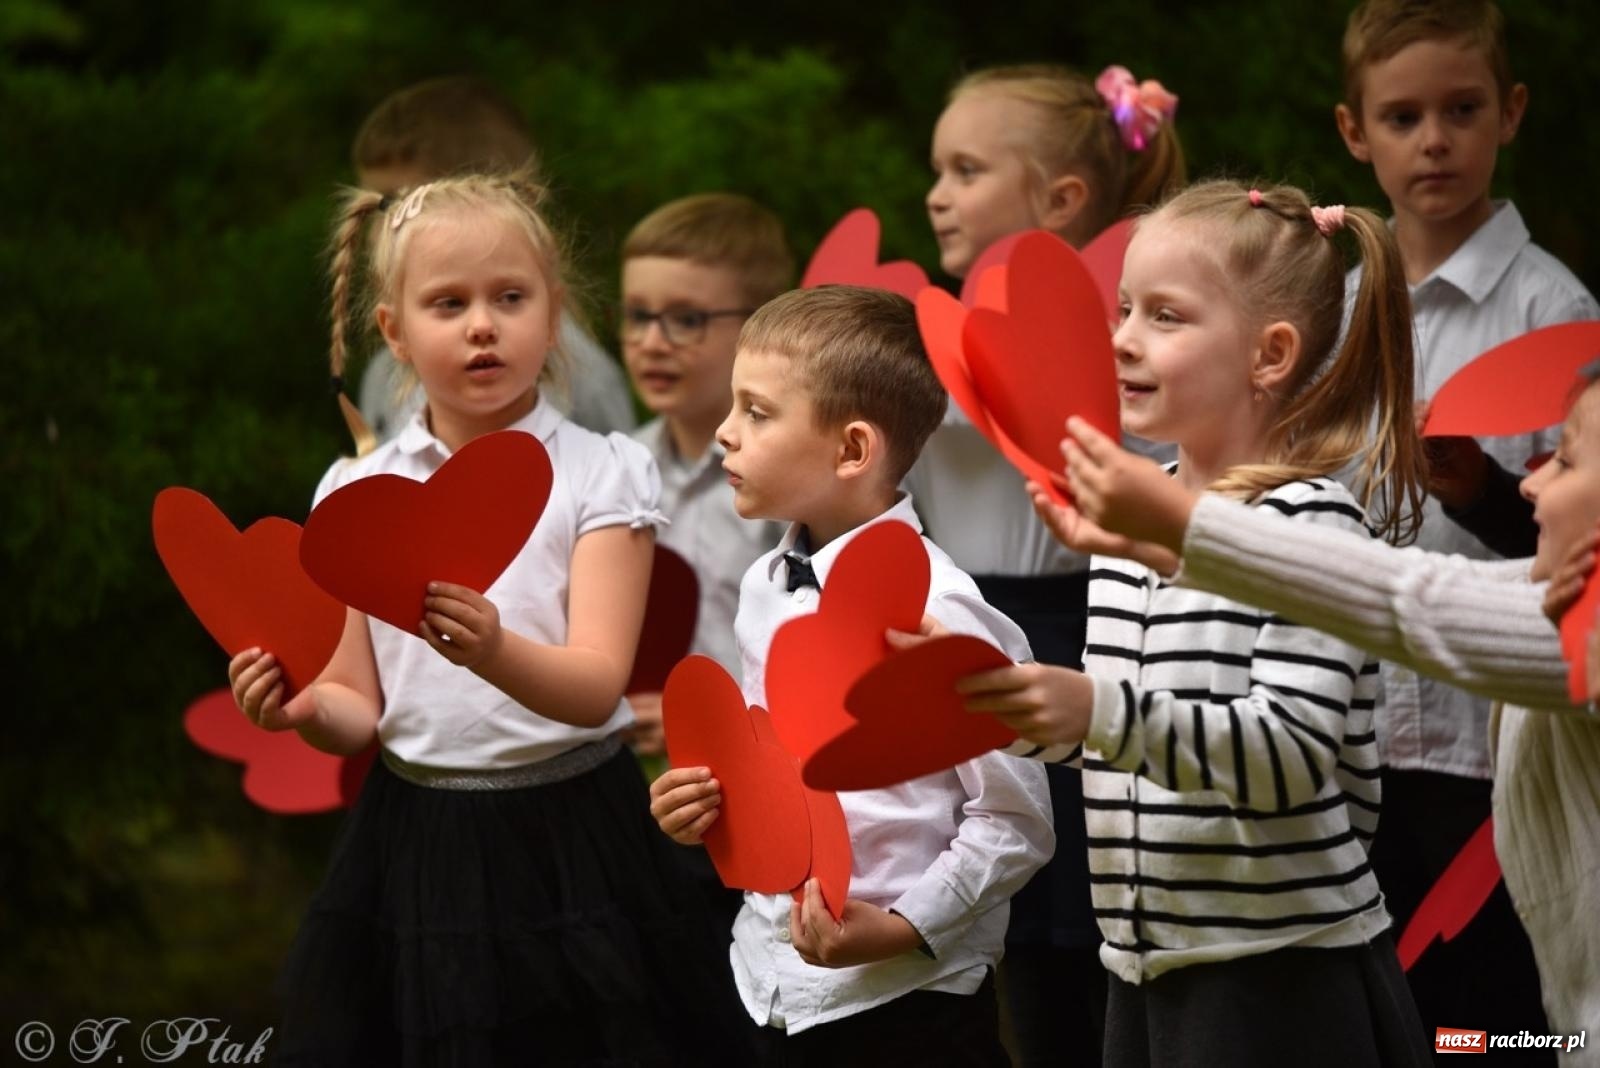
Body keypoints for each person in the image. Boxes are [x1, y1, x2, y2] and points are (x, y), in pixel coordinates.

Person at [228, 173, 745, 1065]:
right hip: (418, 842)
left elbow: (593, 688)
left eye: (511, 298)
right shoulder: (356, 493)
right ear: (394, 333)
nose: (482, 325)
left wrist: (496, 650)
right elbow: (357, 704)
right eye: (448, 303)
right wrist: (297, 708)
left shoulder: (601, 473)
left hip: (577, 833)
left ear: (553, 318)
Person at [932, 180, 1433, 1066]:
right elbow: (1131, 737)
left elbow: (1285, 759)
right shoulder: (1135, 519)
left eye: (1165, 316)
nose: (1121, 338)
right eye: (1122, 309)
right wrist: (1018, 713)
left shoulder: (1310, 527)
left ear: (1269, 354)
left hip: (1278, 979)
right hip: (1144, 968)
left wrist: (1098, 715)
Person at [1040, 363, 1600, 1063]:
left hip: (1281, 971)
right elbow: (1472, 593)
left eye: (1567, 460)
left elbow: (1417, 605)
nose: (1531, 480)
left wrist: (1186, 530)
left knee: (1482, 1042)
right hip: (1146, 962)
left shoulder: (1587, 637)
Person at [649, 286, 1053, 1065]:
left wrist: (904, 928)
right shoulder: (766, 584)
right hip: (765, 981)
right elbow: (780, 766)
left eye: (757, 413)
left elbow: (1016, 820)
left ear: (852, 450)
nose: (725, 436)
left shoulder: (943, 610)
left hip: (904, 1008)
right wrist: (705, 803)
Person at [1332, 0, 1598, 1042]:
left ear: (1510, 113)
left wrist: (1479, 492)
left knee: (1486, 1021)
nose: (1432, 140)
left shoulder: (1557, 316)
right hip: (1353, 735)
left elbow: (1580, 557)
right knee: (1386, 1015)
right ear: (1354, 133)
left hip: (1483, 744)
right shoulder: (1338, 303)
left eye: (1461, 109)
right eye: (1400, 117)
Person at [921, 62, 1185, 1064]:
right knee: (1013, 936)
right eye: (936, 169)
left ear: (1061, 198)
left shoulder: (1135, 340)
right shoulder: (928, 333)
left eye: (966, 169)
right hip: (974, 642)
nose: (935, 193)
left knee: (1096, 925)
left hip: (1098, 643)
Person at [349, 75, 634, 445]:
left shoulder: (583, 381)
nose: (376, 230)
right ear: (393, 330)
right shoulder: (384, 374)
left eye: (395, 203)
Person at [619, 192, 790, 756]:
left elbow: (823, 654)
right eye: (638, 316)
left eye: (686, 320)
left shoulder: (793, 485)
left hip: (769, 768)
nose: (652, 342)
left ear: (760, 327)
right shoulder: (613, 468)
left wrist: (714, 721)